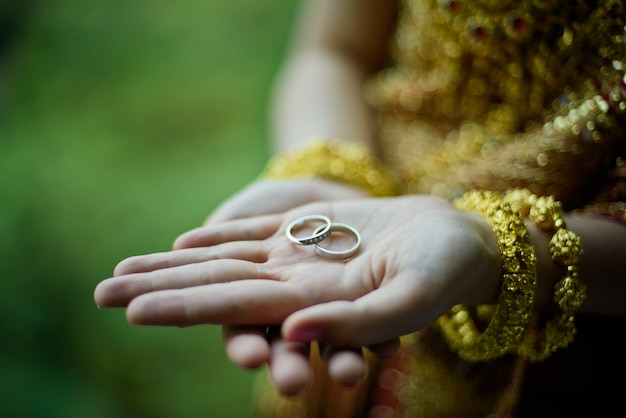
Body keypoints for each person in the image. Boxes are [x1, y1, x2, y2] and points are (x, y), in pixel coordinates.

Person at [94, 0, 626, 416]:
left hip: (579, 351)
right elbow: (332, 50)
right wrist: (329, 172)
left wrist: (505, 254)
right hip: (359, 268)